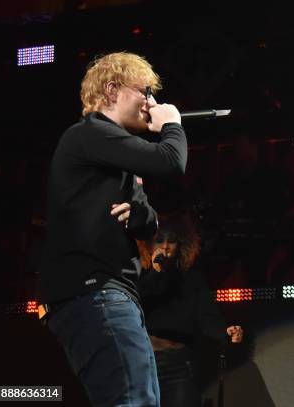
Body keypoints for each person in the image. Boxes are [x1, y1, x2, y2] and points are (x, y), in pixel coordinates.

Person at [38, 51, 187, 406]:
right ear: (112, 90)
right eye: (145, 91)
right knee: (132, 400)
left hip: (111, 294)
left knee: (140, 399)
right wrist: (172, 124)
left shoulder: (114, 156)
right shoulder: (90, 134)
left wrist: (137, 214)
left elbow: (149, 222)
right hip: (95, 292)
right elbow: (170, 161)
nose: (151, 102)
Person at [137, 216, 243, 407]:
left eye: (172, 241)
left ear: (181, 246)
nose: (166, 247)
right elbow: (136, 304)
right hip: (142, 363)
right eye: (160, 240)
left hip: (177, 364)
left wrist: (226, 332)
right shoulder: (140, 278)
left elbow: (208, 318)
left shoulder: (192, 281)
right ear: (149, 245)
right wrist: (155, 273)